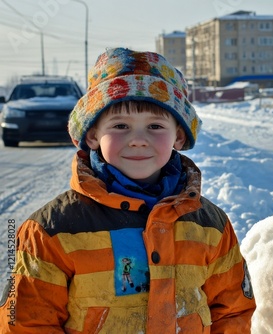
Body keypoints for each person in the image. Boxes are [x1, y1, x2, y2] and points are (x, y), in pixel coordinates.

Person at [0, 47, 256, 333]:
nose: (137, 140)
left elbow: (233, 312)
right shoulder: (51, 231)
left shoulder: (211, 225)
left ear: (179, 136)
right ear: (93, 134)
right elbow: (26, 323)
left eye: (155, 126)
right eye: (120, 125)